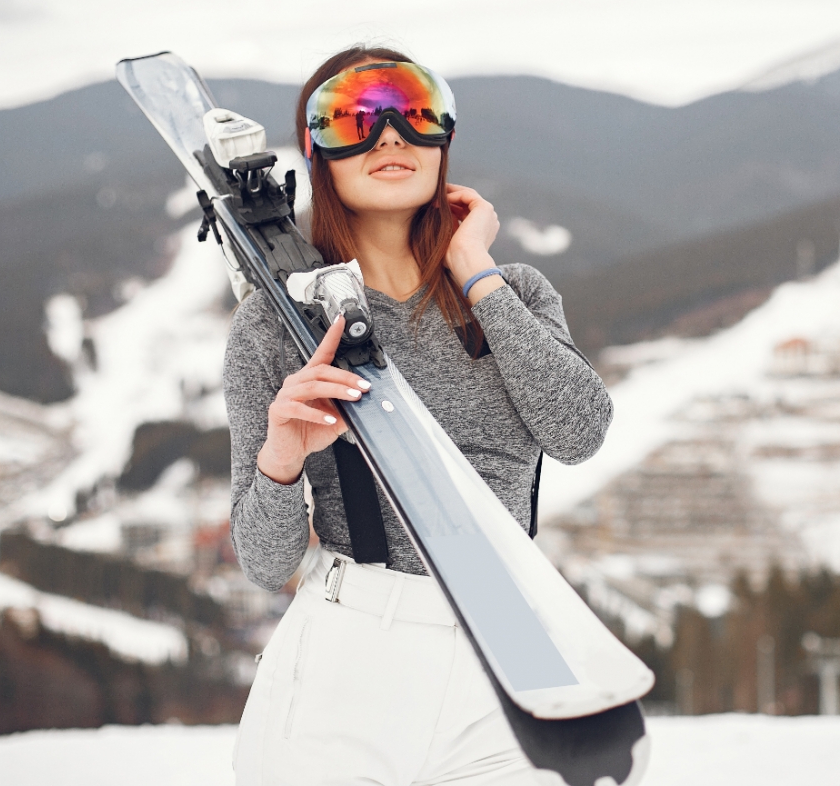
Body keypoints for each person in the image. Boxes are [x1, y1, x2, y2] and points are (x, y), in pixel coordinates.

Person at [224, 45, 613, 785]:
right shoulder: (276, 325)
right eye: (353, 118)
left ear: (442, 142)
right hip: (352, 651)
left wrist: (476, 273)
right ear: (317, 153)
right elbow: (264, 562)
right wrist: (281, 454)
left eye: (413, 111)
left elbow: (580, 430)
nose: (390, 136)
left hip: (509, 644)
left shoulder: (514, 291)